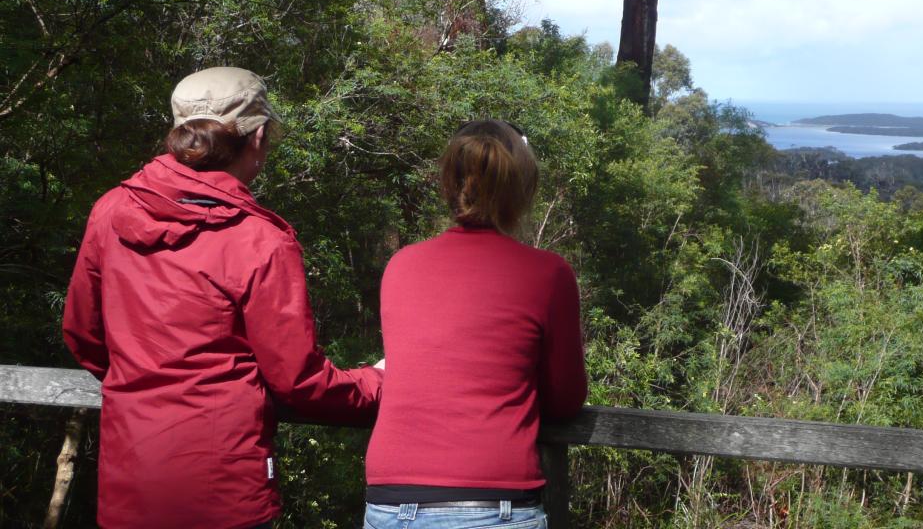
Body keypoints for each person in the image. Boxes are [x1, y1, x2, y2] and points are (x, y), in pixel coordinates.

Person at [63, 67, 383, 529]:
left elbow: (83, 334)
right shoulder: (259, 239)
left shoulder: (110, 210)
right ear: (257, 138)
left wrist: (143, 379)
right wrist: (376, 384)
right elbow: (297, 382)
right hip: (223, 491)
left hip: (131, 480)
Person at [364, 119, 587, 529]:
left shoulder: (401, 267)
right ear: (521, 190)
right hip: (492, 498)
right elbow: (565, 399)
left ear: (449, 184)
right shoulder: (549, 274)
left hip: (392, 499)